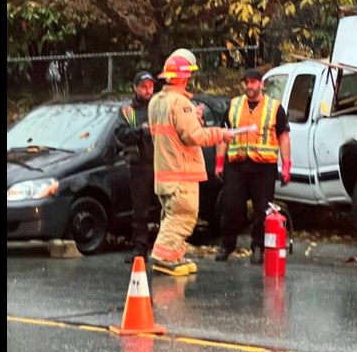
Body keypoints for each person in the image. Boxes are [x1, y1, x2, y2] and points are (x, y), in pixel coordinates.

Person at [148, 48, 233, 277]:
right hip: (181, 173)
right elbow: (194, 136)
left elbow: (174, 129)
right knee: (183, 216)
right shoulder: (180, 103)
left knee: (170, 216)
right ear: (185, 77)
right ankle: (164, 256)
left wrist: (191, 117)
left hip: (164, 173)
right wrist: (220, 134)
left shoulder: (157, 101)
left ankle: (174, 255)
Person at [214, 68, 292, 265]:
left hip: (264, 166)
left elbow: (283, 138)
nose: (249, 86)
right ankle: (227, 245)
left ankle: (258, 246)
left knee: (263, 209)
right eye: (246, 82)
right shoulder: (234, 105)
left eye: (253, 82)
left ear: (261, 84)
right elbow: (224, 135)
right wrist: (219, 163)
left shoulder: (274, 108)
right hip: (237, 164)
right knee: (231, 206)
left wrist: (286, 167)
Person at [113, 70, 158, 262]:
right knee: (140, 210)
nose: (148, 90)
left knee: (166, 207)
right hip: (139, 165)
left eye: (150, 86)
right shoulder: (127, 111)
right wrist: (140, 130)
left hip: (162, 163)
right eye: (144, 87)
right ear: (135, 88)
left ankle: (164, 249)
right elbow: (120, 134)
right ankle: (140, 249)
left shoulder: (159, 107)